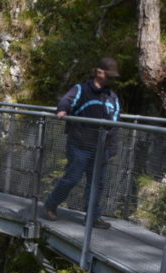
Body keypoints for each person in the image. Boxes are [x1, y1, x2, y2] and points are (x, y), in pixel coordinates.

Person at [43, 57, 122, 229]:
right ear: (99, 72)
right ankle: (51, 204)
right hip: (79, 144)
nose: (111, 79)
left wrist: (112, 148)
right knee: (72, 178)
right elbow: (66, 100)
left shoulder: (112, 98)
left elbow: (115, 124)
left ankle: (93, 217)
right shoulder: (81, 89)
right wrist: (62, 110)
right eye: (109, 75)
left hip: (100, 149)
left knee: (97, 183)